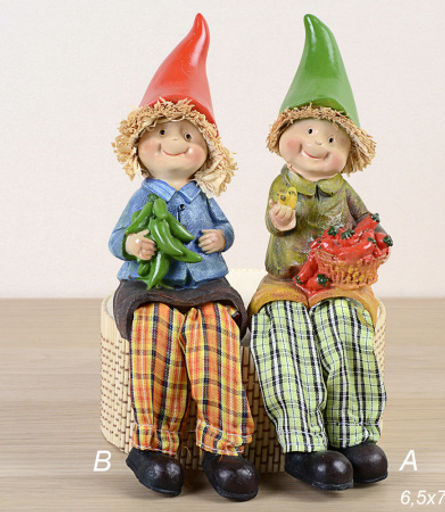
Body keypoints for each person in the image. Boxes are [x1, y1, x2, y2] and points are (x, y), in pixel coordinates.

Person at [109, 14, 257, 501]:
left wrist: (220, 237)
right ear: (139, 146)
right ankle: (153, 445)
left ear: (206, 151)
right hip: (152, 286)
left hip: (206, 285)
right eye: (163, 132)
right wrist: (134, 244)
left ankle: (224, 446)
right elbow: (116, 238)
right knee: (154, 337)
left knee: (216, 336)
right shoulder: (142, 198)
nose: (175, 142)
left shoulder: (202, 197)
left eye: (189, 136)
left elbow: (227, 228)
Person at [249, 14, 388, 491]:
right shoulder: (283, 183)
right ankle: (303, 444)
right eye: (307, 132)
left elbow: (366, 219)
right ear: (285, 135)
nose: (316, 144)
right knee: (284, 340)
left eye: (331, 139)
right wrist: (281, 219)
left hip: (337, 284)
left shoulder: (343, 189)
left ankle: (354, 435)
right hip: (286, 282)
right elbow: (276, 216)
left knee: (346, 334)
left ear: (348, 151)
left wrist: (374, 236)